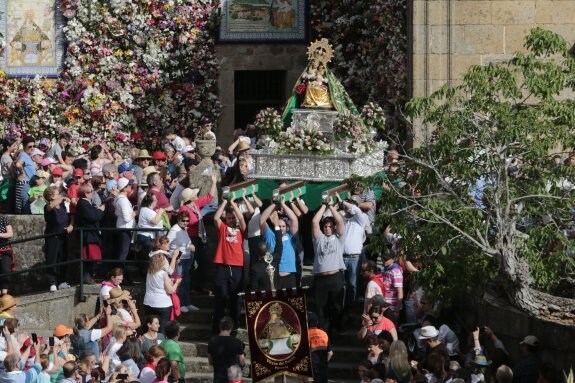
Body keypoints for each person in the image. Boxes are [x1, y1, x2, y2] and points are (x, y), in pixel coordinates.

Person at [212, 199, 246, 334]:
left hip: (237, 266)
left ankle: (234, 327)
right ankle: (216, 329)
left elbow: (242, 218)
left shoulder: (240, 230)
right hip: (223, 266)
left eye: (233, 218)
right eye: (229, 218)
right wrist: (225, 203)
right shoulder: (223, 228)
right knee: (220, 298)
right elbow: (215, 218)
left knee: (235, 298)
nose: (231, 220)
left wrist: (234, 205)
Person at [311, 200, 345, 332]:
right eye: (325, 226)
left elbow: (340, 221)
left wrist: (331, 206)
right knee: (320, 306)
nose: (327, 228)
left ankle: (338, 328)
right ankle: (323, 331)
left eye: (330, 226)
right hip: (321, 279)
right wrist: (324, 205)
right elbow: (314, 221)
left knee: (336, 305)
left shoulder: (338, 237)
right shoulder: (319, 238)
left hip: (335, 276)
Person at [259, 202, 299, 289]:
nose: (281, 228)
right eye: (279, 226)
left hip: (289, 277)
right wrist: (274, 204)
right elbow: (262, 220)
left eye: (283, 226)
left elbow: (294, 220)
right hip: (274, 276)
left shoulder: (290, 236)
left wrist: (283, 203)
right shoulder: (270, 235)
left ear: (287, 227)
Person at [167, 211, 198, 313]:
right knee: (179, 282)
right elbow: (167, 245)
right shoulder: (174, 230)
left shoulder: (184, 229)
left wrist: (191, 246)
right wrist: (174, 257)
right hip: (179, 260)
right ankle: (180, 304)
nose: (185, 223)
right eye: (183, 220)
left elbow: (187, 243)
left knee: (187, 281)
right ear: (178, 220)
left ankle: (187, 303)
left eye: (187, 221)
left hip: (187, 258)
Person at [43, 186, 73, 292]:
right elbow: (51, 206)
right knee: (52, 260)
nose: (59, 195)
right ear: (51, 196)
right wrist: (63, 198)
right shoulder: (48, 206)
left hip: (63, 236)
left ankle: (61, 281)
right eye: (57, 193)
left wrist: (71, 225)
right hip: (52, 237)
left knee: (63, 259)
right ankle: (52, 282)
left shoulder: (63, 206)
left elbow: (71, 216)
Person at [143, 254, 181, 333]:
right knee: (162, 329)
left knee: (150, 327)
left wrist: (169, 281)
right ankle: (160, 344)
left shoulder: (149, 272)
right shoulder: (163, 273)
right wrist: (176, 283)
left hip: (148, 302)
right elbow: (170, 290)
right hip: (162, 304)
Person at [75, 184, 105, 284]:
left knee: (91, 258)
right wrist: (100, 210)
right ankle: (86, 278)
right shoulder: (83, 203)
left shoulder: (86, 203)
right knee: (89, 257)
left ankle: (89, 277)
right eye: (89, 192)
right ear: (84, 193)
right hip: (88, 235)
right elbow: (92, 217)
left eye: (92, 191)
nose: (91, 193)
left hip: (90, 235)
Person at [207, 316, 246, 383]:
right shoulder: (238, 342)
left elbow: (210, 361)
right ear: (231, 327)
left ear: (219, 326)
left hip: (218, 378)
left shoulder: (212, 341)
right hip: (234, 378)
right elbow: (242, 362)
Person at [114, 178, 136, 264]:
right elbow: (127, 218)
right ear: (124, 188)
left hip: (123, 228)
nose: (131, 186)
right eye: (129, 185)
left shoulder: (120, 198)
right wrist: (135, 212)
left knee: (123, 251)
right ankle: (120, 272)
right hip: (125, 228)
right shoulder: (122, 200)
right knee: (123, 252)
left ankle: (120, 272)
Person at [307, 312, 332, 383]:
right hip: (322, 368)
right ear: (317, 322)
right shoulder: (324, 333)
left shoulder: (305, 335)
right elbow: (330, 353)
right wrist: (325, 363)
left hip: (311, 369)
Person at [14, 136, 36, 214]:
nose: (32, 148)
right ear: (24, 146)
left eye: (34, 146)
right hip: (24, 184)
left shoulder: (27, 156)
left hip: (27, 184)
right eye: (30, 146)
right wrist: (22, 173)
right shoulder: (23, 154)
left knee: (24, 207)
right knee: (23, 208)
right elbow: (18, 164)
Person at [0, 215, 14, 295]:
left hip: (4, 248)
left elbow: (10, 234)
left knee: (5, 270)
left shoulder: (3, 218)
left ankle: (5, 294)